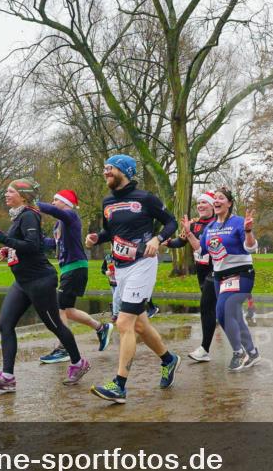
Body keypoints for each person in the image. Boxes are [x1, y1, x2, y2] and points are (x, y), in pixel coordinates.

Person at [85, 155, 180, 404]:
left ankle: (119, 385)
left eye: (109, 168)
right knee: (139, 325)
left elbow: (170, 222)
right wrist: (98, 237)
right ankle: (169, 360)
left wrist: (157, 239)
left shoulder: (145, 198)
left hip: (143, 265)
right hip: (121, 268)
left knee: (124, 323)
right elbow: (113, 232)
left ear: (124, 171)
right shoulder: (107, 202)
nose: (105, 172)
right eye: (104, 168)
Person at [0, 178, 89, 392]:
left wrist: (3, 239)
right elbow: (30, 245)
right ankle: (8, 377)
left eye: (10, 191)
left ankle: (78, 363)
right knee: (5, 324)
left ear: (23, 195)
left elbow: (32, 246)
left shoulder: (29, 215)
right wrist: (9, 250)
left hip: (40, 281)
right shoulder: (19, 216)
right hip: (22, 282)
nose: (6, 194)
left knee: (54, 324)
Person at [37, 189, 113, 369]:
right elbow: (52, 244)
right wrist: (35, 238)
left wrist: (34, 203)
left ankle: (64, 347)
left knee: (58, 307)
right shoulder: (58, 226)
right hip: (68, 269)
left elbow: (55, 211)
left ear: (66, 203)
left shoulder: (70, 215)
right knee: (68, 310)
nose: (53, 202)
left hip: (75, 267)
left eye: (56, 199)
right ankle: (101, 328)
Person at [191, 187, 260, 371]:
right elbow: (201, 250)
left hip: (242, 273)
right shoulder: (211, 227)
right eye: (215, 198)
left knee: (223, 309)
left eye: (221, 198)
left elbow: (250, 247)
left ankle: (239, 352)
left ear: (229, 203)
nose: (217, 201)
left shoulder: (238, 222)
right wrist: (189, 234)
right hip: (219, 277)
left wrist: (248, 231)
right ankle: (252, 352)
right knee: (233, 315)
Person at [169, 191, 217, 362]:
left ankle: (204, 349)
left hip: (216, 270)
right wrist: (164, 241)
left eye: (205, 202)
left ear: (213, 205)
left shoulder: (218, 223)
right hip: (201, 272)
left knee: (206, 307)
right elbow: (179, 242)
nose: (200, 205)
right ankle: (242, 345)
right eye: (199, 203)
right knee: (217, 311)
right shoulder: (193, 224)